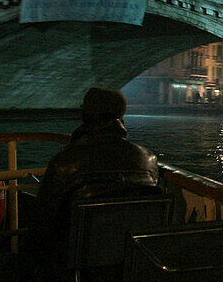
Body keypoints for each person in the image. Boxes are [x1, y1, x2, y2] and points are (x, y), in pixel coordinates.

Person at [29, 86, 160, 265]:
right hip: (131, 265)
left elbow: (41, 228)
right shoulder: (148, 160)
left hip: (74, 269)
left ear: (85, 115)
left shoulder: (64, 162)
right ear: (121, 115)